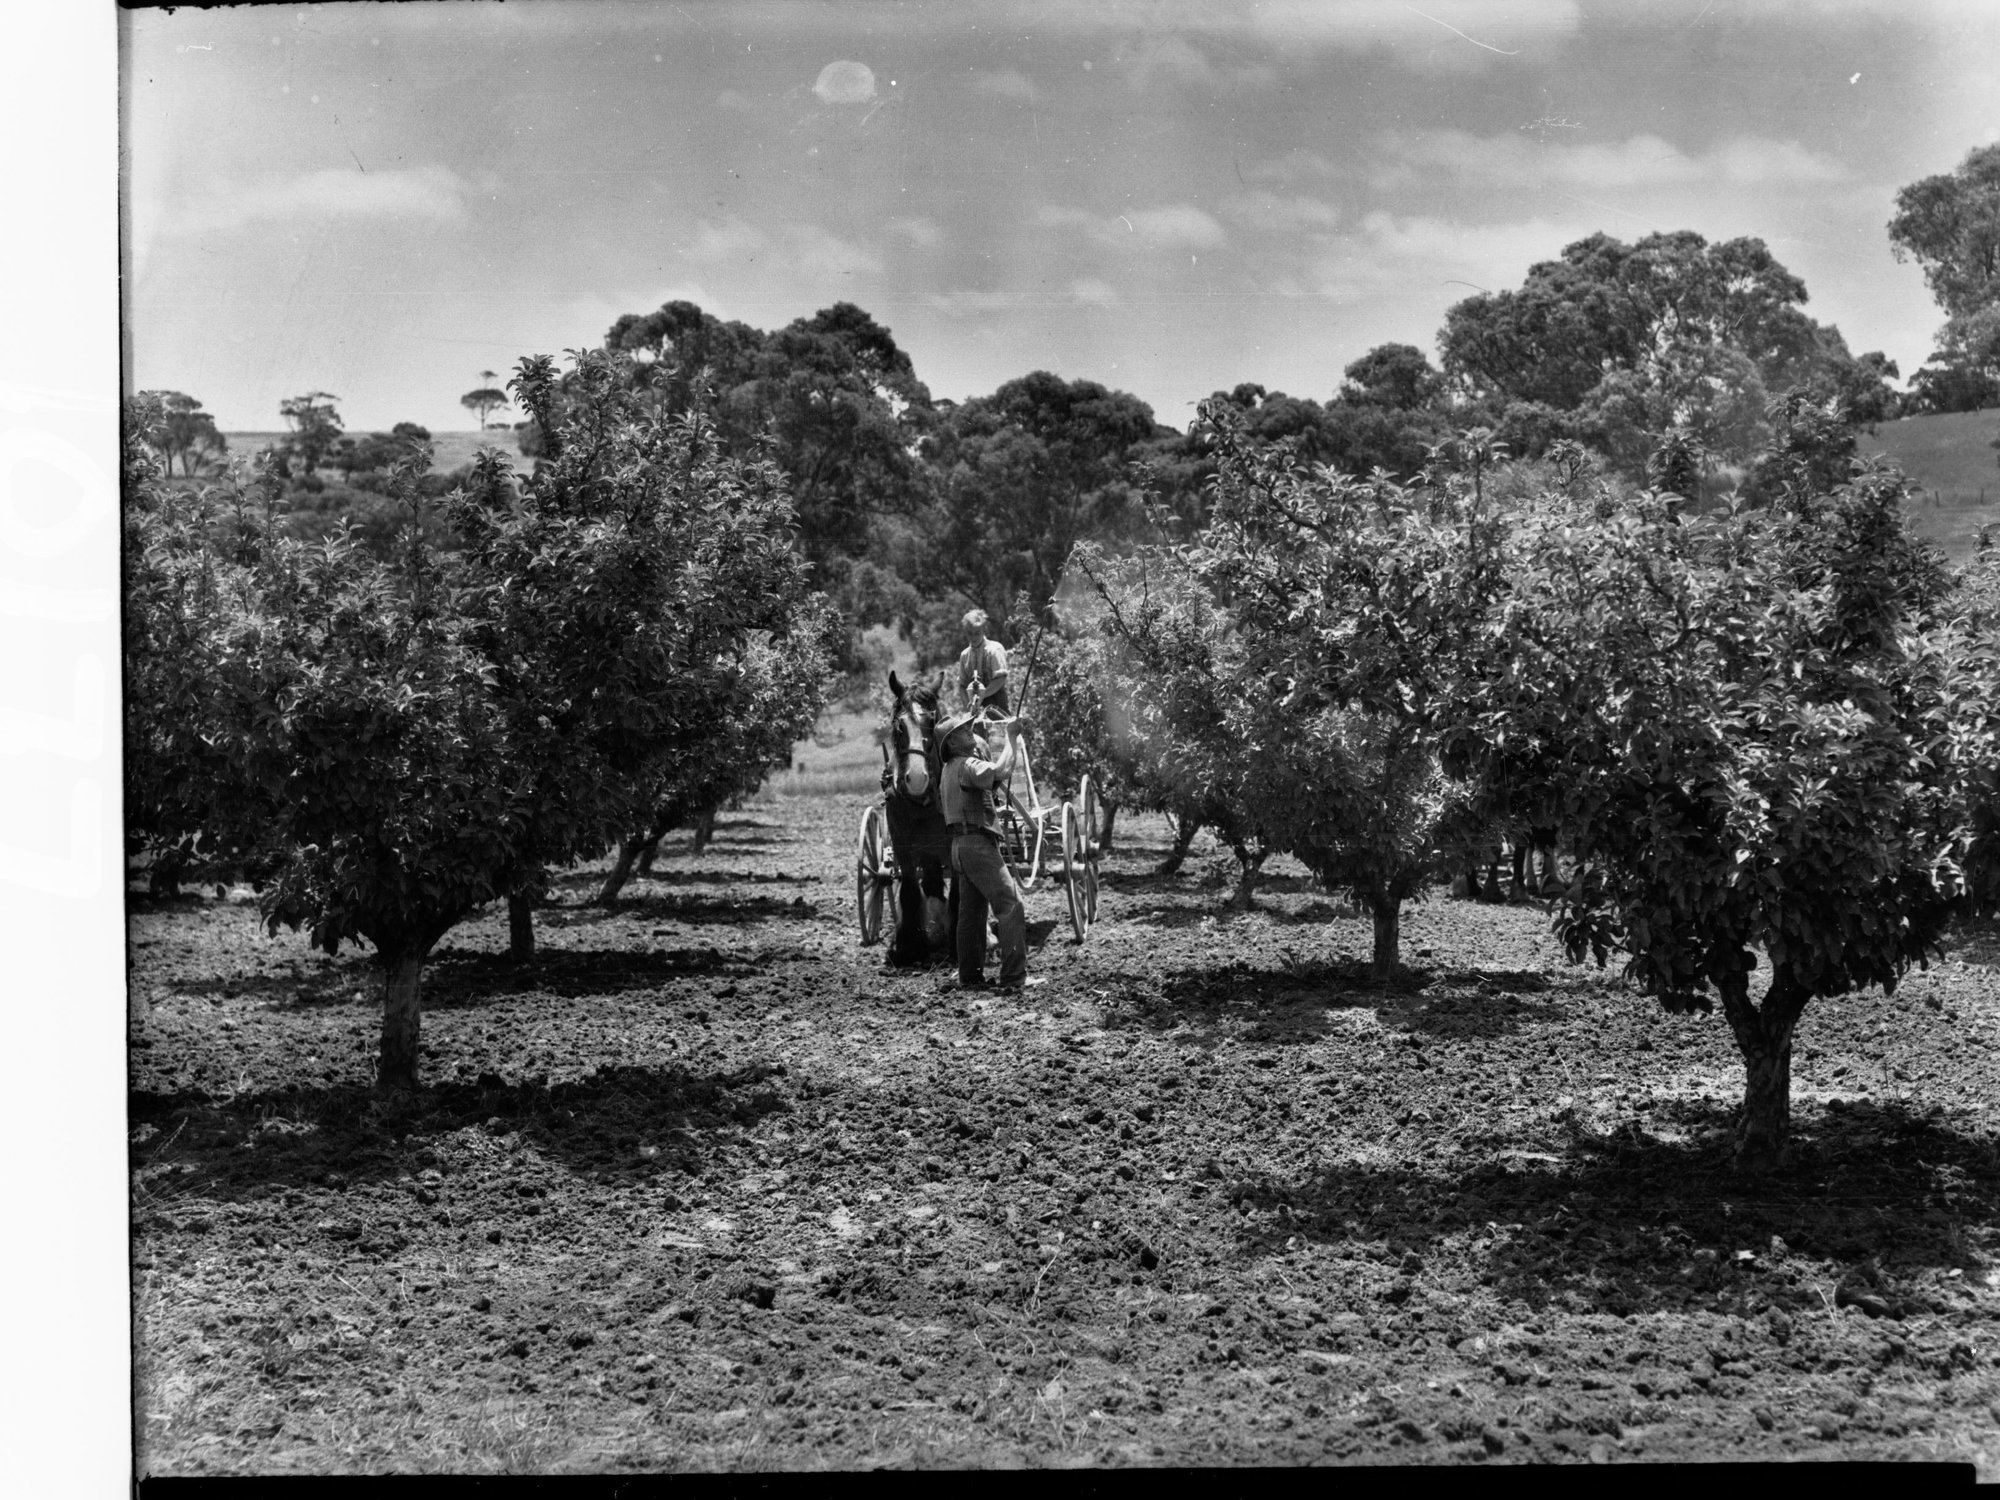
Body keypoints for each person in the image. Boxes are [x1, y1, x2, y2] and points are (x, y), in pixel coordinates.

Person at [936, 709, 1042, 991]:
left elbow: (992, 779)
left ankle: (969, 977)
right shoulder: (967, 764)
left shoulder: (949, 770)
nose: (971, 732)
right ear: (952, 743)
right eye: (965, 731)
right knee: (1011, 905)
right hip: (978, 846)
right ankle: (1014, 978)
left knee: (971, 915)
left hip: (959, 848)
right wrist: (1011, 738)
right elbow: (1001, 771)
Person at [957, 609, 1010, 715]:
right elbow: (962, 685)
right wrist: (968, 704)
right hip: (974, 710)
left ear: (983, 630)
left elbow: (1000, 679)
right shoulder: (964, 655)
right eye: (970, 634)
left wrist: (982, 694)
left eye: (977, 633)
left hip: (997, 707)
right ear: (965, 632)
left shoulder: (994, 650)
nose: (973, 637)